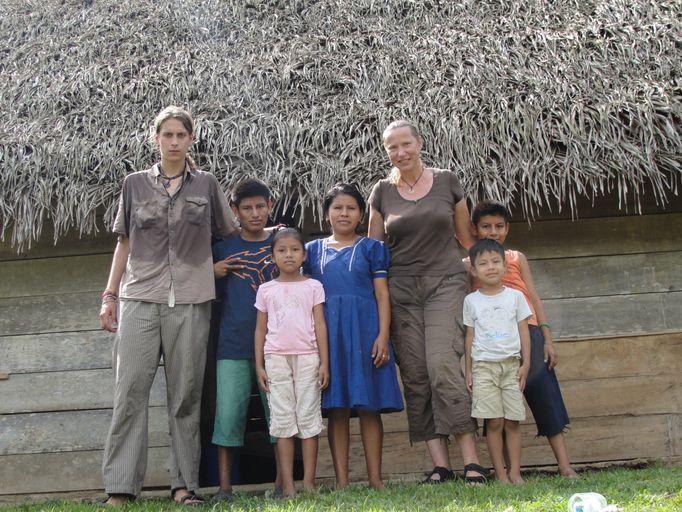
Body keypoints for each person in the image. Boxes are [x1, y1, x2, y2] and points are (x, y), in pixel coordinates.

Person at [98, 106, 239, 506]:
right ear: (155, 139)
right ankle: (121, 489)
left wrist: (271, 236)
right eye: (168, 135)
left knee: (186, 396)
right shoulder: (134, 185)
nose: (174, 141)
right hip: (140, 298)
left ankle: (184, 486)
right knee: (130, 394)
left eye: (181, 135)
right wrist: (109, 296)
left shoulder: (206, 184)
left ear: (191, 139)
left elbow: (230, 232)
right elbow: (123, 242)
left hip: (193, 301)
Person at [368, 120, 487, 484]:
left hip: (445, 284)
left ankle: (472, 462)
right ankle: (440, 465)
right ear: (386, 151)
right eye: (392, 147)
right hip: (402, 291)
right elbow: (375, 250)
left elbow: (467, 238)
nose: (400, 152)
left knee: (441, 367)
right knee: (417, 375)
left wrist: (505, 268)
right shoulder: (381, 192)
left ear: (419, 142)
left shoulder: (447, 181)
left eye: (406, 144)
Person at [305, 184, 404, 489]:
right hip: (329, 336)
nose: (344, 213)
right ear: (326, 214)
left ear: (361, 214)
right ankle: (341, 482)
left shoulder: (373, 249)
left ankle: (376, 479)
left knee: (369, 406)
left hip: (365, 332)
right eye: (337, 207)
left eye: (351, 208)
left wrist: (383, 336)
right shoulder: (310, 251)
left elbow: (382, 295)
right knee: (336, 408)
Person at [470, 199, 578, 478]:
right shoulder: (473, 262)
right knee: (499, 406)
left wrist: (548, 337)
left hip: (528, 332)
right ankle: (505, 471)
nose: (493, 232)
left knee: (544, 392)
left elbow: (534, 297)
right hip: (493, 342)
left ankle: (565, 466)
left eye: (499, 226)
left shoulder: (516, 258)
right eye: (485, 227)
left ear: (507, 228)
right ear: (475, 229)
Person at [210, 178, 282, 502]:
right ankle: (224, 488)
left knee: (278, 414)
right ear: (235, 211)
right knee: (228, 415)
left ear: (269, 207)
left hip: (279, 345)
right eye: (247, 208)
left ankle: (283, 484)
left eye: (260, 206)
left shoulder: (282, 241)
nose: (255, 213)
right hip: (234, 344)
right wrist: (212, 271)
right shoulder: (223, 249)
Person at [254, 228, 330, 498]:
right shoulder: (266, 290)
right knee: (283, 421)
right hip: (275, 358)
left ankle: (308, 483)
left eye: (295, 250)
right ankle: (287, 485)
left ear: (304, 254)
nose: (289, 255)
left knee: (309, 420)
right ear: (272, 256)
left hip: (309, 357)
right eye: (282, 250)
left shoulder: (313, 287)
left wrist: (324, 363)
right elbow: (260, 330)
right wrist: (259, 365)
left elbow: (320, 324)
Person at [464, 238, 531, 484]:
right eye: (483, 263)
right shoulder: (471, 300)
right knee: (494, 422)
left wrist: (526, 364)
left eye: (495, 262)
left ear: (505, 266)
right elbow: (469, 336)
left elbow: (524, 331)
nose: (490, 267)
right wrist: (468, 370)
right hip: (483, 368)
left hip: (511, 365)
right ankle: (500, 474)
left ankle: (515, 472)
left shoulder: (516, 297)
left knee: (512, 421)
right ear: (473, 270)